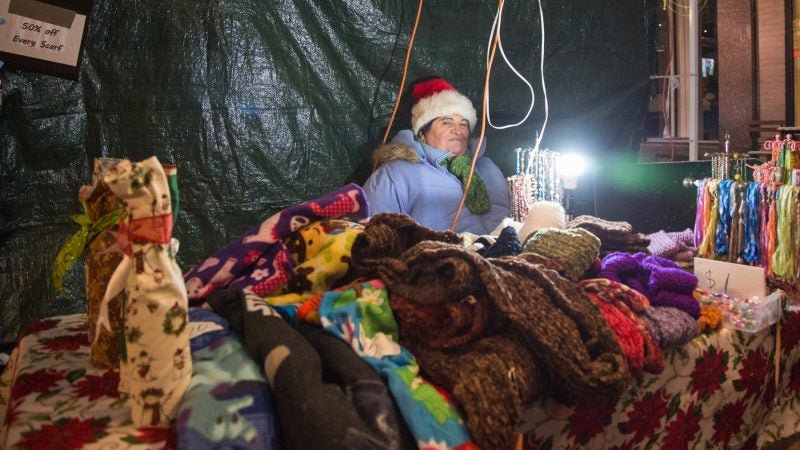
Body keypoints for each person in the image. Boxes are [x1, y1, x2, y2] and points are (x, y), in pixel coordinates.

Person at [363, 77, 510, 235]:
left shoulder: (488, 168)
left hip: (505, 253)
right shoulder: (395, 174)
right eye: (447, 122)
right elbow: (374, 238)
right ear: (422, 134)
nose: (457, 129)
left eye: (463, 124)